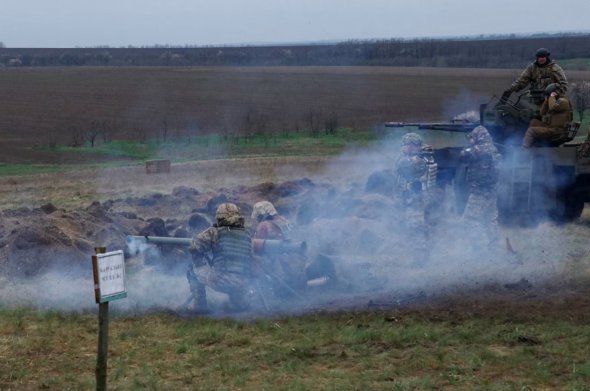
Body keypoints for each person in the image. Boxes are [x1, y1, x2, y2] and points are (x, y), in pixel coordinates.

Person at [186, 203, 253, 313]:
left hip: (222, 281)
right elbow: (250, 257)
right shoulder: (247, 234)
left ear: (220, 217)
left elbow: (194, 246)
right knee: (238, 301)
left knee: (191, 270)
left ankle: (199, 305)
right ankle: (238, 303)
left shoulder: (215, 231)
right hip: (244, 282)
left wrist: (199, 263)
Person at [459, 125, 502, 253]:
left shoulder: (478, 149)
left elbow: (462, 156)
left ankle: (479, 249)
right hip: (492, 191)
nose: (470, 139)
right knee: (490, 220)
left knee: (469, 220)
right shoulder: (493, 149)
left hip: (479, 192)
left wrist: (470, 145)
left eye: (473, 137)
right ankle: (493, 249)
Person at [251, 200, 307, 295]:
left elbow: (257, 248)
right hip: (300, 271)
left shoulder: (264, 225)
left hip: (282, 275)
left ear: (260, 214)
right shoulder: (286, 222)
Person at [394, 132, 431, 266]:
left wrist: (404, 156)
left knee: (416, 228)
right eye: (407, 144)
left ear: (417, 146)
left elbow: (402, 167)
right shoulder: (411, 158)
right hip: (409, 199)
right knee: (414, 227)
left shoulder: (420, 160)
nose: (408, 147)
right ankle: (421, 255)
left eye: (412, 145)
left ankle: (420, 260)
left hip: (416, 199)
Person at [501, 47, 568, 103]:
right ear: (537, 58)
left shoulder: (554, 68)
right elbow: (522, 81)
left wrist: (555, 93)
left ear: (547, 57)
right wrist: (510, 90)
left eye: (543, 57)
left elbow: (564, 84)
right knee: (522, 106)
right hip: (535, 96)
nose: (541, 59)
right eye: (539, 57)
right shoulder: (532, 68)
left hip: (551, 97)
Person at [522, 83, 573, 147]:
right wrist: (546, 101)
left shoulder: (563, 101)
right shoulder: (555, 100)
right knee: (534, 121)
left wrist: (551, 96)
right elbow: (542, 112)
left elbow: (552, 107)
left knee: (531, 131)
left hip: (557, 130)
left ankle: (523, 149)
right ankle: (533, 144)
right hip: (551, 127)